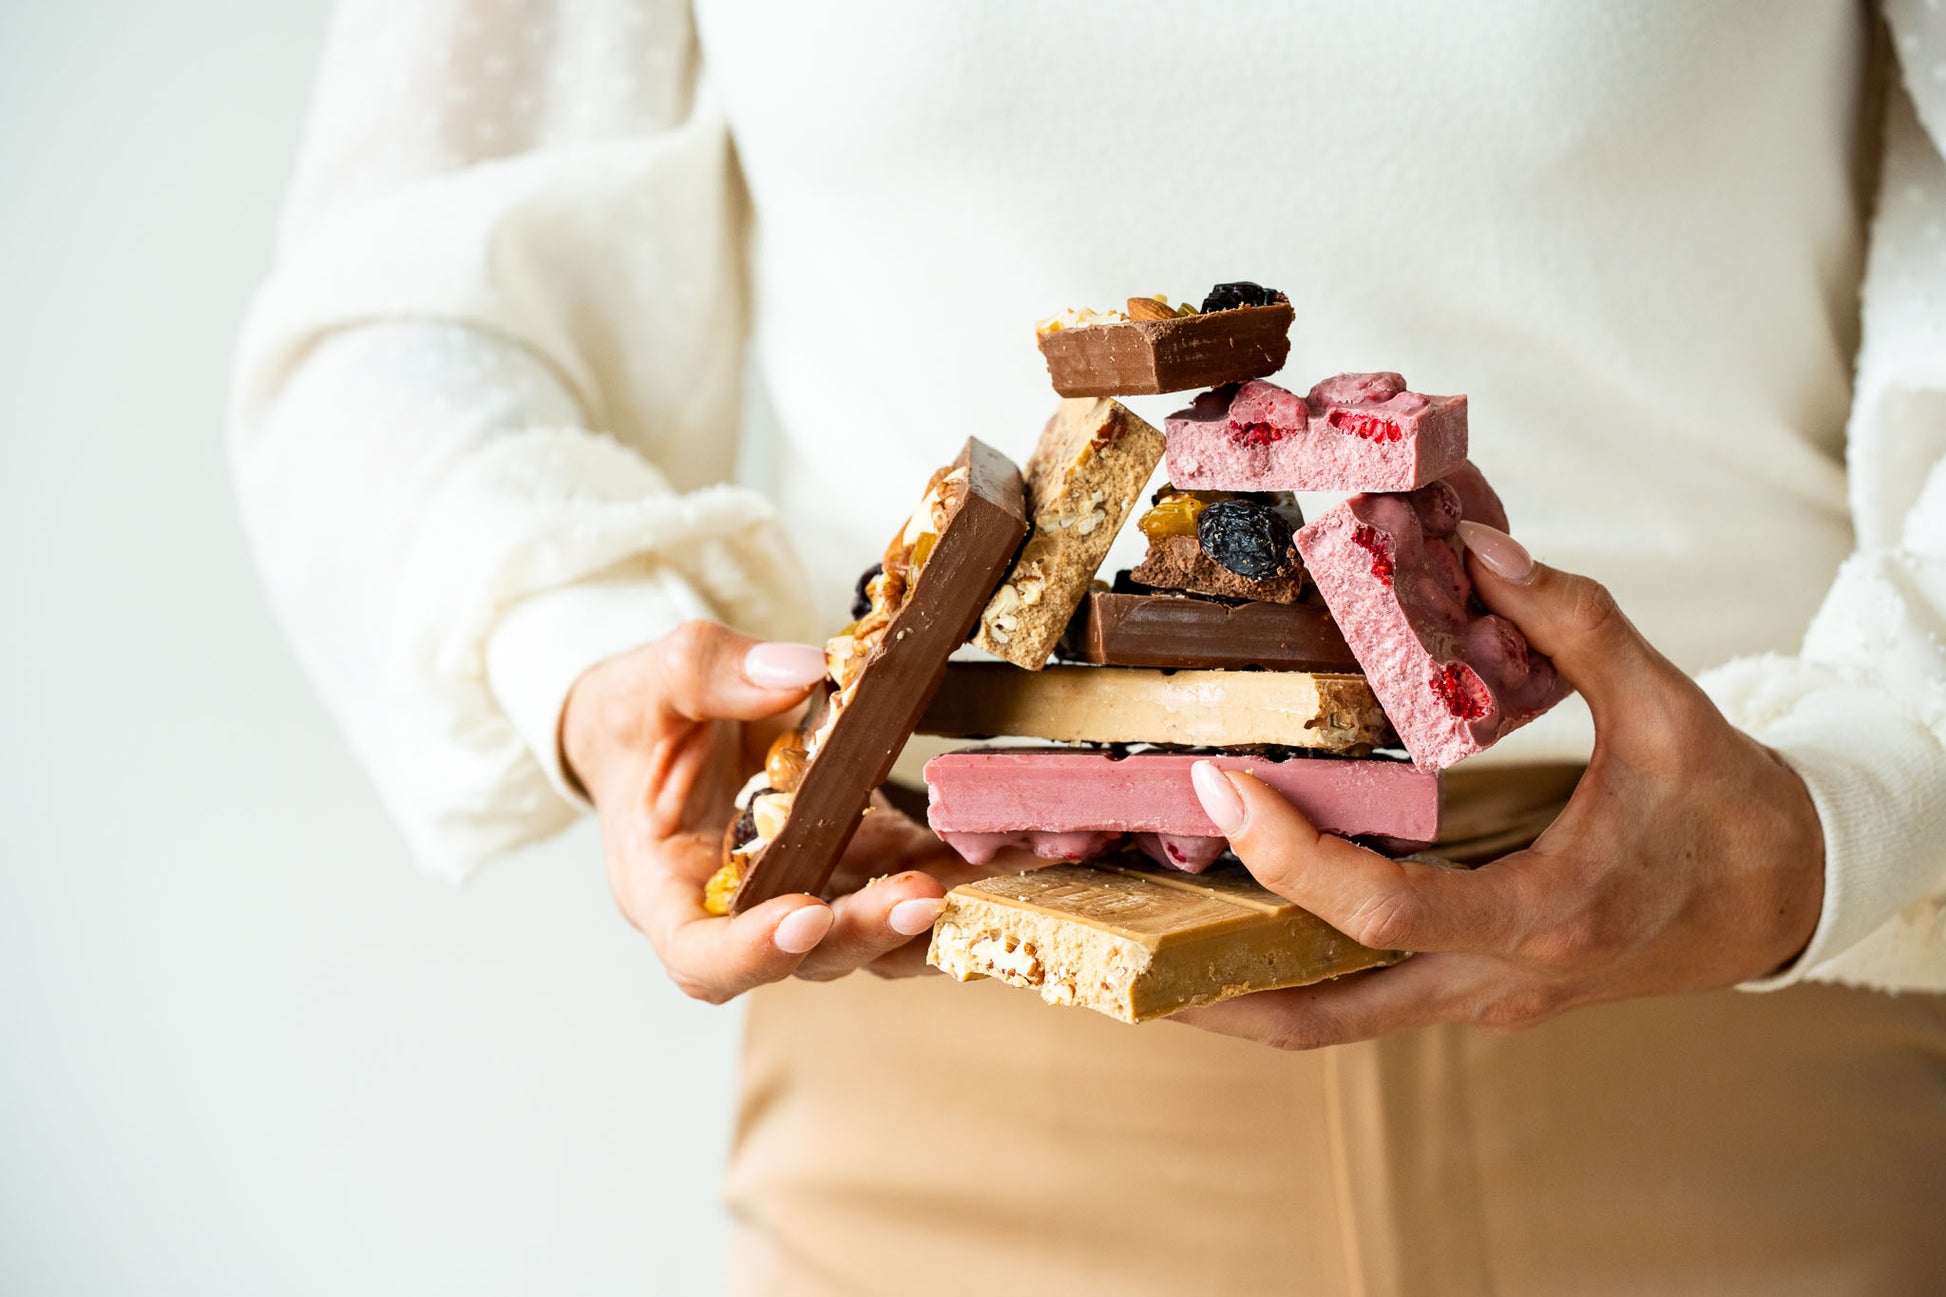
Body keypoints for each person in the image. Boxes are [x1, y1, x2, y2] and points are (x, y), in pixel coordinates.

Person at [232, 3, 1946, 1292]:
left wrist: (1855, 793)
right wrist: (588, 644)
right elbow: (410, 306)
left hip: (1754, 1035)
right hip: (952, 1066)